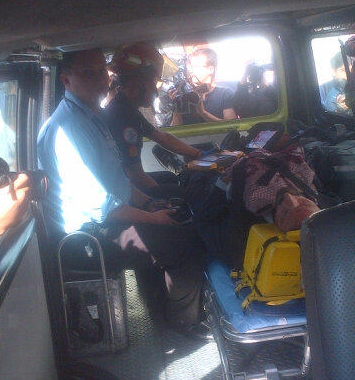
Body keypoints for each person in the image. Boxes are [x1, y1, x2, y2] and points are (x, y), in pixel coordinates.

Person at [37, 48, 206, 329]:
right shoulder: (69, 128)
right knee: (186, 242)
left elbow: (118, 179)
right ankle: (182, 324)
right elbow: (101, 207)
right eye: (88, 73)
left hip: (104, 220)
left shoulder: (90, 117)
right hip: (87, 238)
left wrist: (149, 203)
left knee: (175, 217)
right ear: (66, 80)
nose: (99, 80)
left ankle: (158, 306)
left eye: (101, 71)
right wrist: (153, 218)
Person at [102, 43, 203, 194]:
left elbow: (161, 137)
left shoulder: (125, 109)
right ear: (138, 83)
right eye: (154, 82)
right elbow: (135, 176)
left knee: (170, 178)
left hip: (123, 183)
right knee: (187, 192)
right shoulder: (122, 118)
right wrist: (162, 200)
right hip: (121, 191)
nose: (156, 90)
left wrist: (198, 154)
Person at [171, 48, 236, 125]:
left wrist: (203, 113)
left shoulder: (225, 94)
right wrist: (176, 107)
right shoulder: (184, 95)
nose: (191, 71)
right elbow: (176, 129)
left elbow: (231, 125)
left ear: (211, 70)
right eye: (191, 67)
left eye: (196, 66)